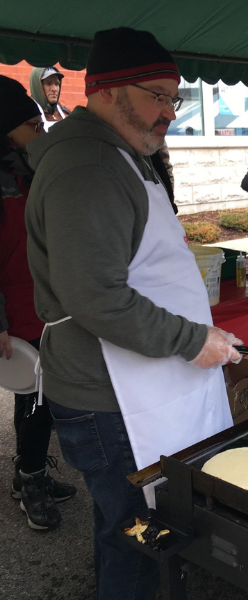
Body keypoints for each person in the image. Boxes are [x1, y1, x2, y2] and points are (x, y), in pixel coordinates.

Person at [25, 28, 242, 599]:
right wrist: (193, 340)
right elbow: (95, 295)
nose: (169, 113)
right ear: (105, 91)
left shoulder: (121, 151)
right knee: (138, 536)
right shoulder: (85, 167)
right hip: (109, 400)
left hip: (135, 386)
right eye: (158, 96)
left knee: (128, 528)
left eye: (175, 99)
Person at [0, 76, 76, 531]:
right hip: (15, 311)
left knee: (36, 394)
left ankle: (24, 472)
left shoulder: (29, 169)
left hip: (46, 304)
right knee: (38, 398)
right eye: (33, 124)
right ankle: (31, 481)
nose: (43, 132)